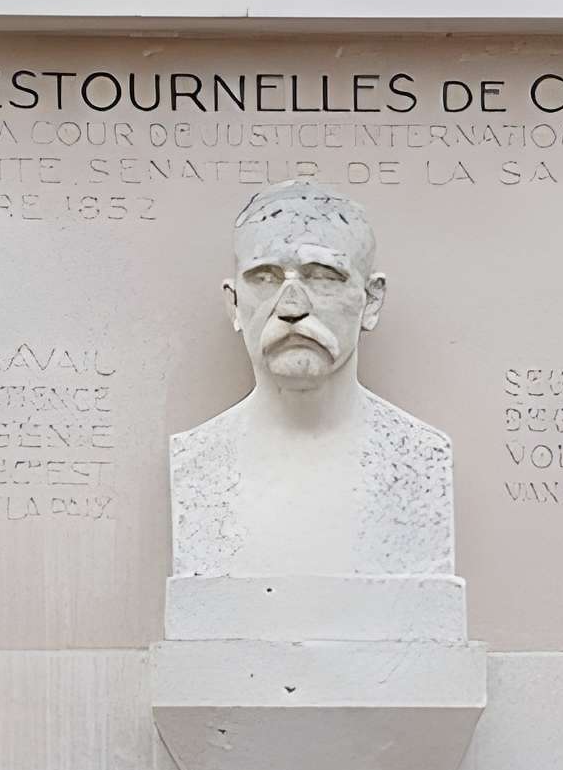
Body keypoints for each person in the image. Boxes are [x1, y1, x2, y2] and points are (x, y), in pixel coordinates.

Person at [168, 180, 456, 581]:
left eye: (323, 276)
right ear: (234, 304)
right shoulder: (197, 462)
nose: (291, 307)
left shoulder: (420, 460)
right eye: (264, 278)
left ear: (371, 301)